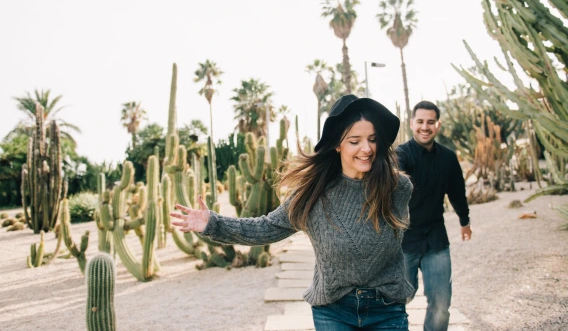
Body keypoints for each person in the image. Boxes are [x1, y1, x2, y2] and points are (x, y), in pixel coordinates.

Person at [171, 94, 414, 330]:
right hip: (334, 310)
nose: (367, 148)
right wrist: (213, 223)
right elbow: (267, 227)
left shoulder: (397, 188)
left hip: (387, 308)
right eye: (355, 141)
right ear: (337, 145)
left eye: (372, 139)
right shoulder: (313, 195)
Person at [396, 101, 472, 331]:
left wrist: (464, 221)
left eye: (430, 122)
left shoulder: (448, 158)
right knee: (400, 299)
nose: (425, 127)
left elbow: (457, 192)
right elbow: (391, 186)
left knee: (440, 304)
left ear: (438, 125)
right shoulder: (401, 155)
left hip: (435, 240)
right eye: (420, 122)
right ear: (412, 124)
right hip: (404, 242)